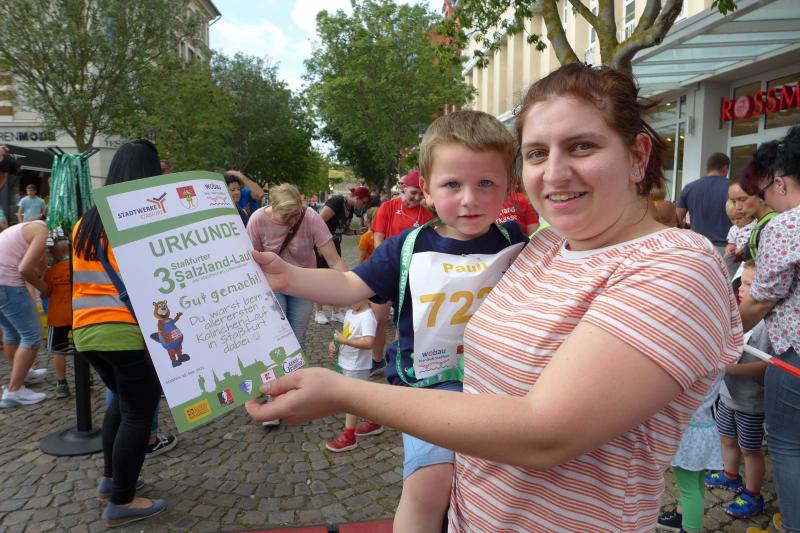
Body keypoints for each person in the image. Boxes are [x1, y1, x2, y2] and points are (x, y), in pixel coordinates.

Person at [245, 63, 742, 532]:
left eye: (582, 146)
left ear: (637, 156)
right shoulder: (546, 245)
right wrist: (288, 277)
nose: (555, 173)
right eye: (537, 153)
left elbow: (546, 432)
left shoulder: (674, 267)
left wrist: (342, 393)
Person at [251, 109, 528, 531]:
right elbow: (349, 286)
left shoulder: (521, 244)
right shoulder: (406, 247)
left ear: (509, 185)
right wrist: (288, 276)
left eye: (485, 183)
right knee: (430, 484)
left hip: (501, 387)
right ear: (428, 189)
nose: (470, 198)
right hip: (431, 387)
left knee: (503, 484)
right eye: (453, 184)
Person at [72, 140, 167, 527]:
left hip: (86, 331)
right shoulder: (137, 220)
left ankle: (111, 480)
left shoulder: (86, 221)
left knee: (120, 406)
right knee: (139, 413)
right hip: (123, 331)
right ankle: (123, 501)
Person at [738, 126, 800, 533]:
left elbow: (761, 300)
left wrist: (723, 334)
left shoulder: (786, 225)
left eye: (762, 192)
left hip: (795, 358)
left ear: (779, 182)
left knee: (788, 445)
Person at [704, 260, 769, 519]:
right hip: (727, 395)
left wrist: (731, 369)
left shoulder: (767, 324)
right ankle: (730, 475)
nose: (741, 288)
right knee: (726, 437)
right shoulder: (736, 315)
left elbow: (767, 366)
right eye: (741, 282)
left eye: (749, 285)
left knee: (750, 449)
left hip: (751, 402)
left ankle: (753, 495)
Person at [246, 183, 347, 344]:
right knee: (278, 336)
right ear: (273, 206)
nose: (293, 221)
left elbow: (334, 260)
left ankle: (298, 360)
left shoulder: (310, 217)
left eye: (296, 215)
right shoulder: (258, 220)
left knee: (297, 339)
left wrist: (352, 286)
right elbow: (251, 260)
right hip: (273, 284)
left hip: (303, 284)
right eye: (286, 217)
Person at [369, 170, 434, 375]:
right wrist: (386, 267)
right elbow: (378, 240)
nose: (416, 198)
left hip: (411, 275)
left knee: (402, 322)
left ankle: (396, 361)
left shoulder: (426, 215)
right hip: (386, 269)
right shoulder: (388, 207)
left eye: (421, 194)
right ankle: (376, 360)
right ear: (403, 188)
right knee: (378, 320)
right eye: (413, 192)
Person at [657, 376, 723, 533]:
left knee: (689, 489)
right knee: (695, 484)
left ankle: (690, 529)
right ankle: (681, 517)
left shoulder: (698, 368)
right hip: (703, 429)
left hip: (689, 434)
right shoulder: (718, 364)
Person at [0, 218, 49, 406]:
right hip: (8, 284)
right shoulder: (42, 232)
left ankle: (22, 374)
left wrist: (42, 266)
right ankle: (14, 391)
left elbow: (37, 264)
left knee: (12, 333)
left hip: (2, 284)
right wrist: (42, 286)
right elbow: (25, 269)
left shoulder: (25, 229)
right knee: (32, 336)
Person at [325, 299, 378, 452]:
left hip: (358, 365)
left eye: (353, 298)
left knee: (352, 401)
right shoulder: (350, 312)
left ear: (365, 295)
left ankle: (349, 437)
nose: (348, 302)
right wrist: (335, 343)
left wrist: (345, 341)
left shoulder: (368, 317)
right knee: (363, 396)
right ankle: (375, 422)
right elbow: (345, 334)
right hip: (346, 362)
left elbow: (369, 343)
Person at [313, 186, 371, 325]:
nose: (362, 206)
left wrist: (356, 232)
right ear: (357, 197)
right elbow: (318, 222)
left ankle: (336, 312)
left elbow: (343, 229)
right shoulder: (337, 201)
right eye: (363, 202)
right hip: (323, 245)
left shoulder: (350, 209)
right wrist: (319, 244)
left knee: (337, 278)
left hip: (335, 245)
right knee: (320, 278)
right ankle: (319, 312)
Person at [676, 152, 732, 255]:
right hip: (727, 249)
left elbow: (677, 220)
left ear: (708, 168)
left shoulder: (689, 187)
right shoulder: (733, 187)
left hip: (697, 247)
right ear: (725, 168)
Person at [44, 234, 74, 398]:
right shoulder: (76, 269)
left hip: (57, 317)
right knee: (82, 347)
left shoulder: (50, 272)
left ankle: (61, 383)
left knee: (58, 350)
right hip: (77, 314)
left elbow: (45, 293)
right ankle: (86, 377)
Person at [723, 200, 755, 279]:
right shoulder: (733, 229)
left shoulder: (755, 225)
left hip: (750, 258)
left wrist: (742, 249)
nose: (736, 222)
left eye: (739, 218)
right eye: (732, 219)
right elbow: (731, 243)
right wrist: (729, 248)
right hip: (737, 258)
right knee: (726, 260)